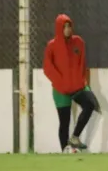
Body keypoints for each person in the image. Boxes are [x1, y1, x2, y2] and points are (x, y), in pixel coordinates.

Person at [43, 14, 101, 153]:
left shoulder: (78, 42)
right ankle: (65, 150)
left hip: (77, 86)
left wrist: (81, 81)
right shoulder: (52, 46)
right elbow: (47, 68)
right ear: (59, 28)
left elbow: (82, 63)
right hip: (60, 89)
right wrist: (61, 83)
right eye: (64, 27)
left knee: (90, 104)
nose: (68, 29)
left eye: (69, 26)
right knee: (64, 122)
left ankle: (75, 137)